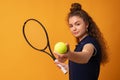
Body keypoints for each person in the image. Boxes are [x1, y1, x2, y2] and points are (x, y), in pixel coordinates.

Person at [54, 3, 108, 80]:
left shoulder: (90, 43)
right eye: (71, 26)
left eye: (77, 24)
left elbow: (84, 56)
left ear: (86, 24)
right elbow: (83, 70)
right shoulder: (80, 45)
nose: (74, 28)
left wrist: (69, 54)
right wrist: (67, 67)